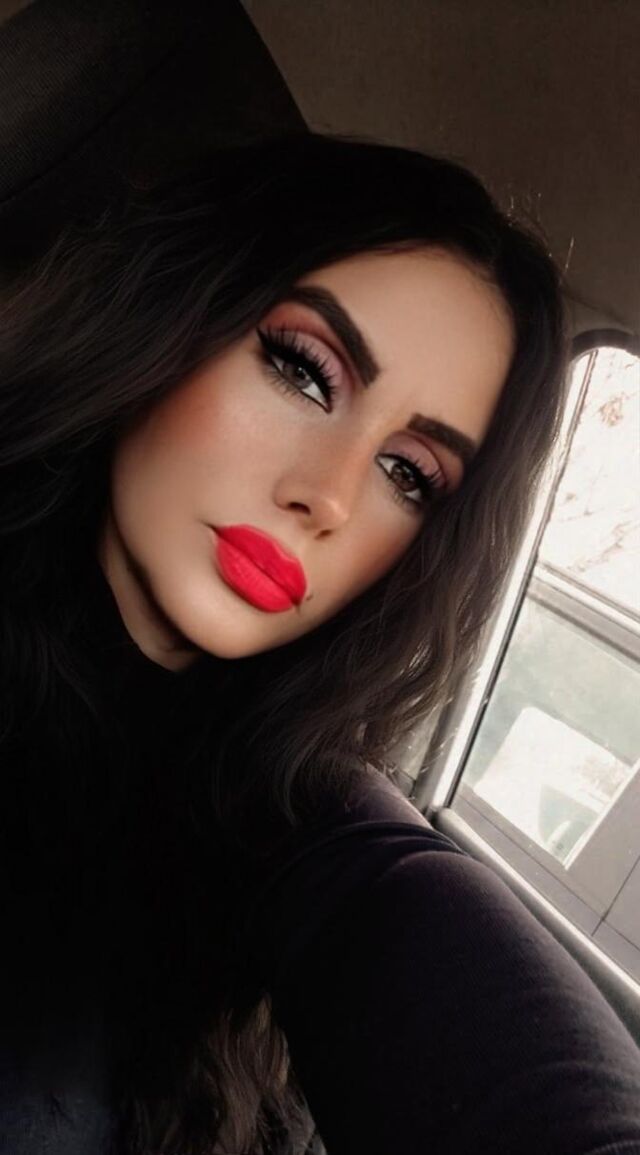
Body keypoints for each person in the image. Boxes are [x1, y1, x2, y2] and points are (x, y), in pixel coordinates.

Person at [1, 130, 640, 1155]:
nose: (330, 496)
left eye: (408, 473)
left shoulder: (293, 811)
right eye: (305, 371)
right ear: (170, 307)